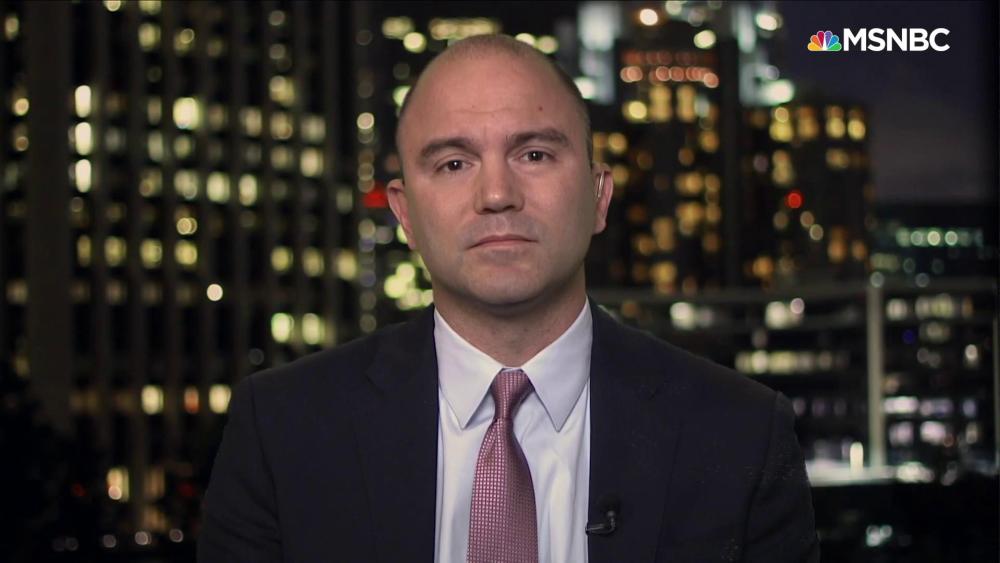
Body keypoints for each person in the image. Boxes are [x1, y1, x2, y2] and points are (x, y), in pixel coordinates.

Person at [198, 34, 819, 563]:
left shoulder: (741, 434)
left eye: (534, 154)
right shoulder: (280, 431)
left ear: (599, 197)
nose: (497, 194)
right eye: (453, 164)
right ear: (404, 214)